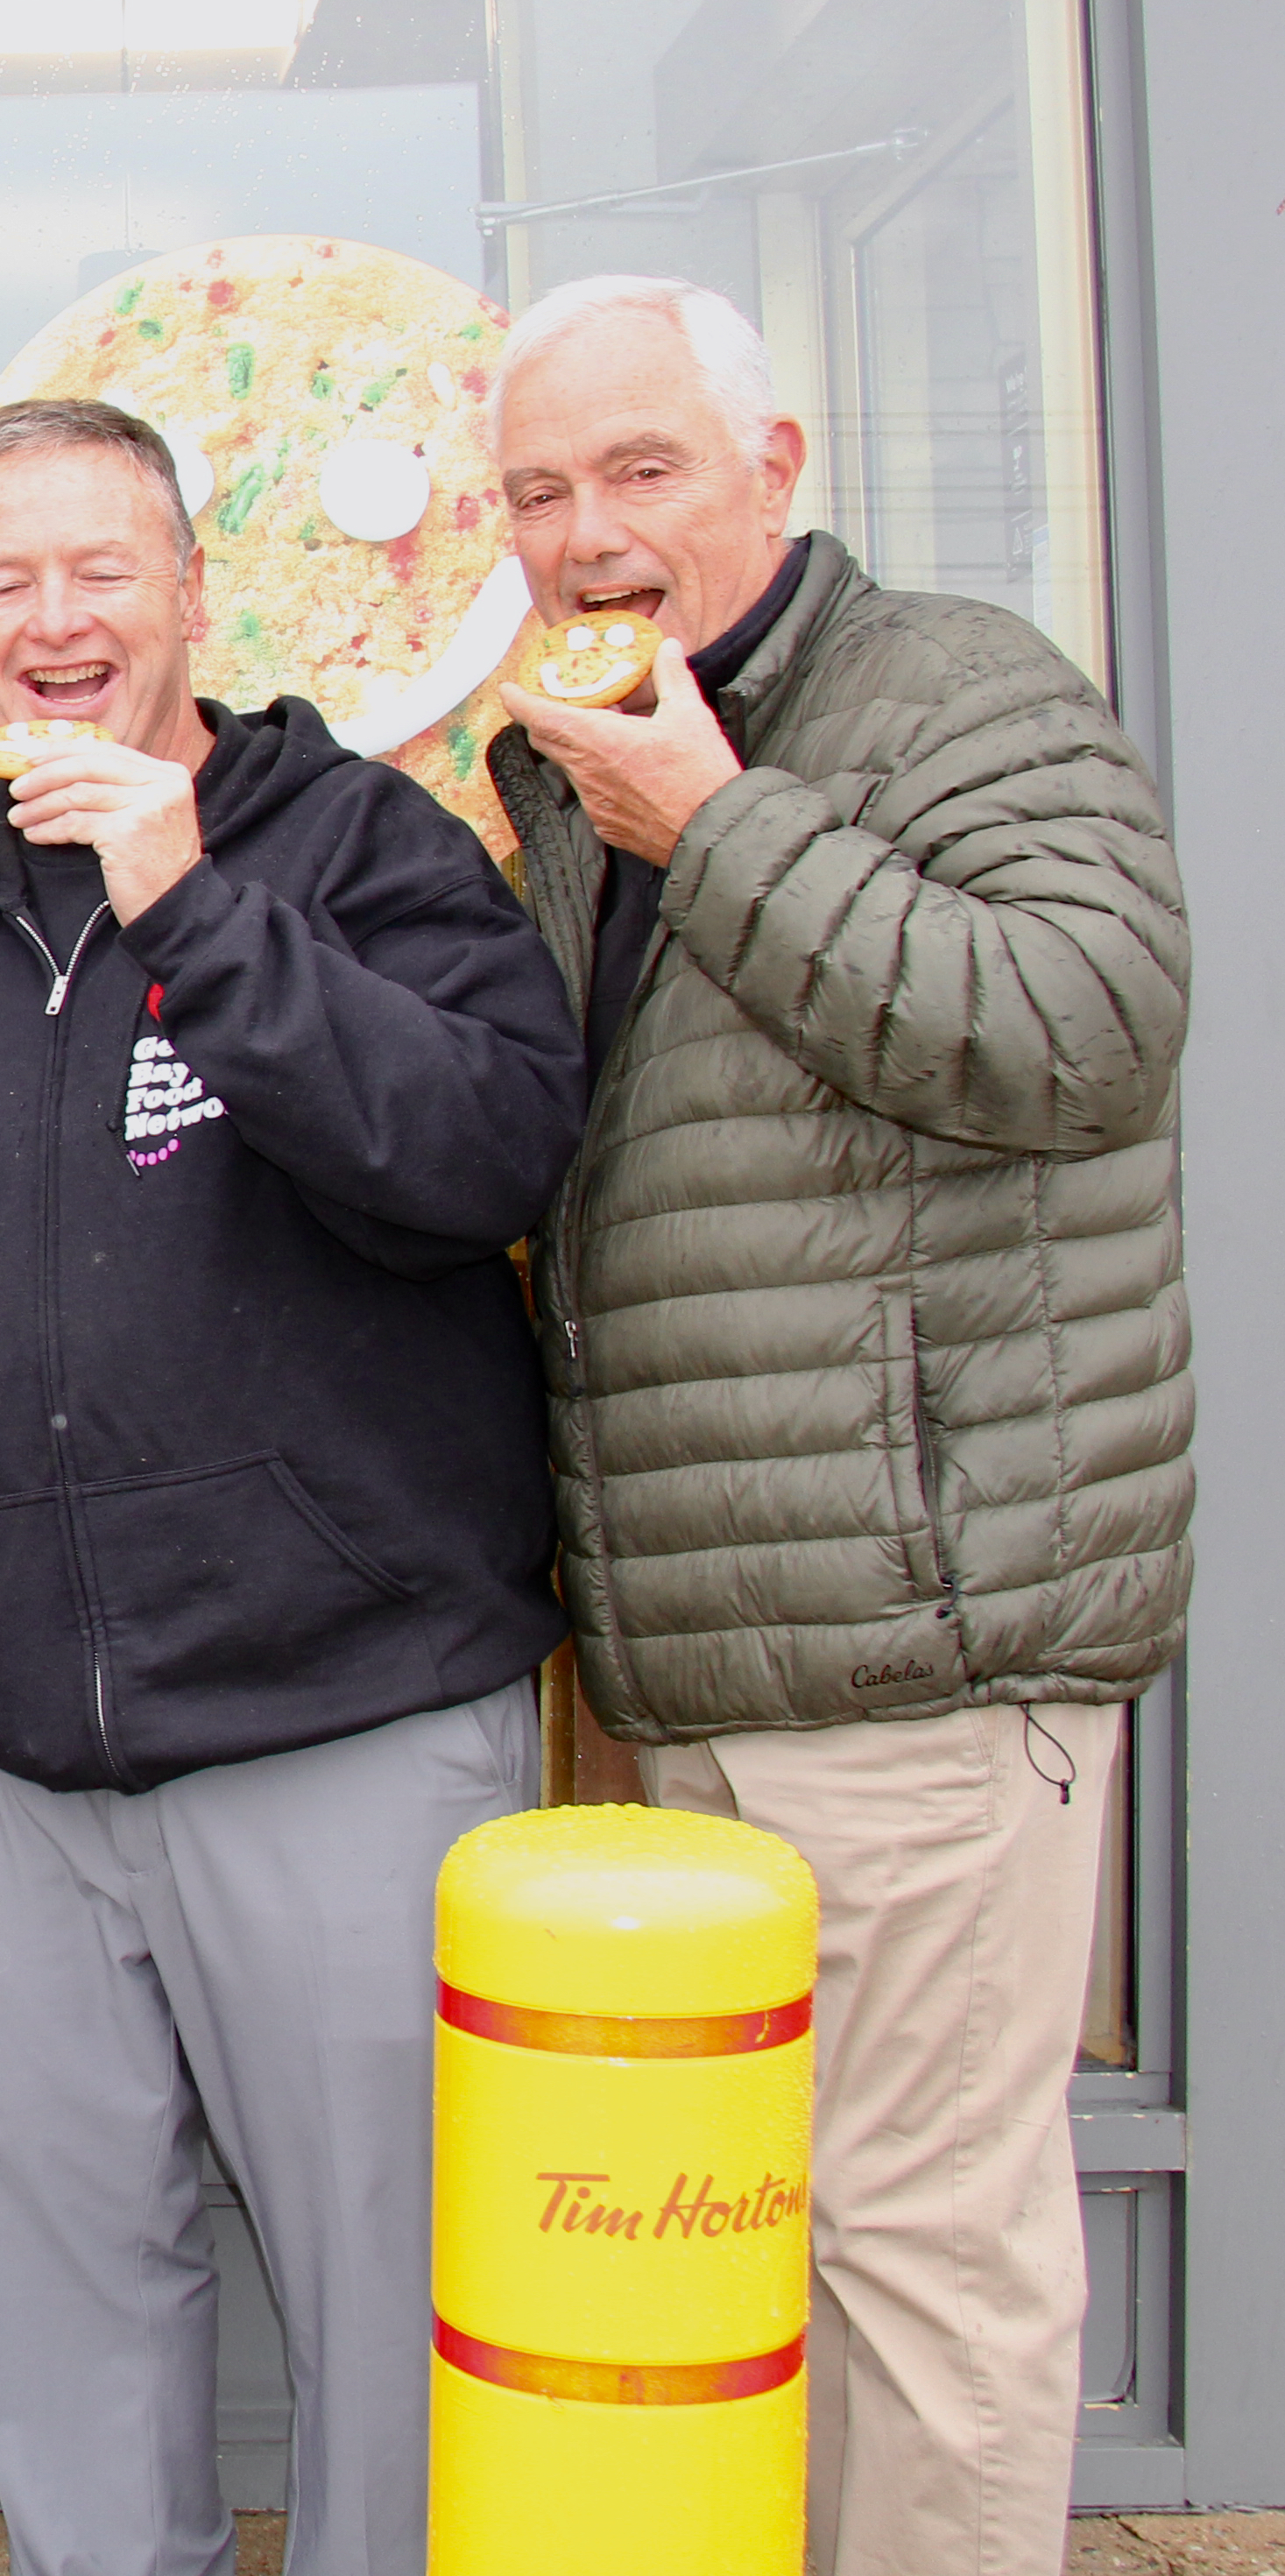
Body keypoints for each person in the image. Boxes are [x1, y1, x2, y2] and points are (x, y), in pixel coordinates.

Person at [0, 398, 582, 2576]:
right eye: (2, 585)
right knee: (69, 2327)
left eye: (98, 571)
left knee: (389, 2318)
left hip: (343, 1711)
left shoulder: (368, 852)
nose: (53, 624)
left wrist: (193, 905)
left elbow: (483, 1156)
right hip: (16, 1761)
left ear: (195, 598)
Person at [485, 277, 1189, 2576]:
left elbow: (1078, 1025)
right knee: (760, 2237)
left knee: (913, 2249)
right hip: (705, 1647)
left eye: (636, 469)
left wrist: (714, 819)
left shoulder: (945, 690)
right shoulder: (588, 765)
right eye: (533, 491)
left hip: (914, 1634)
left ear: (771, 468)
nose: (581, 532)